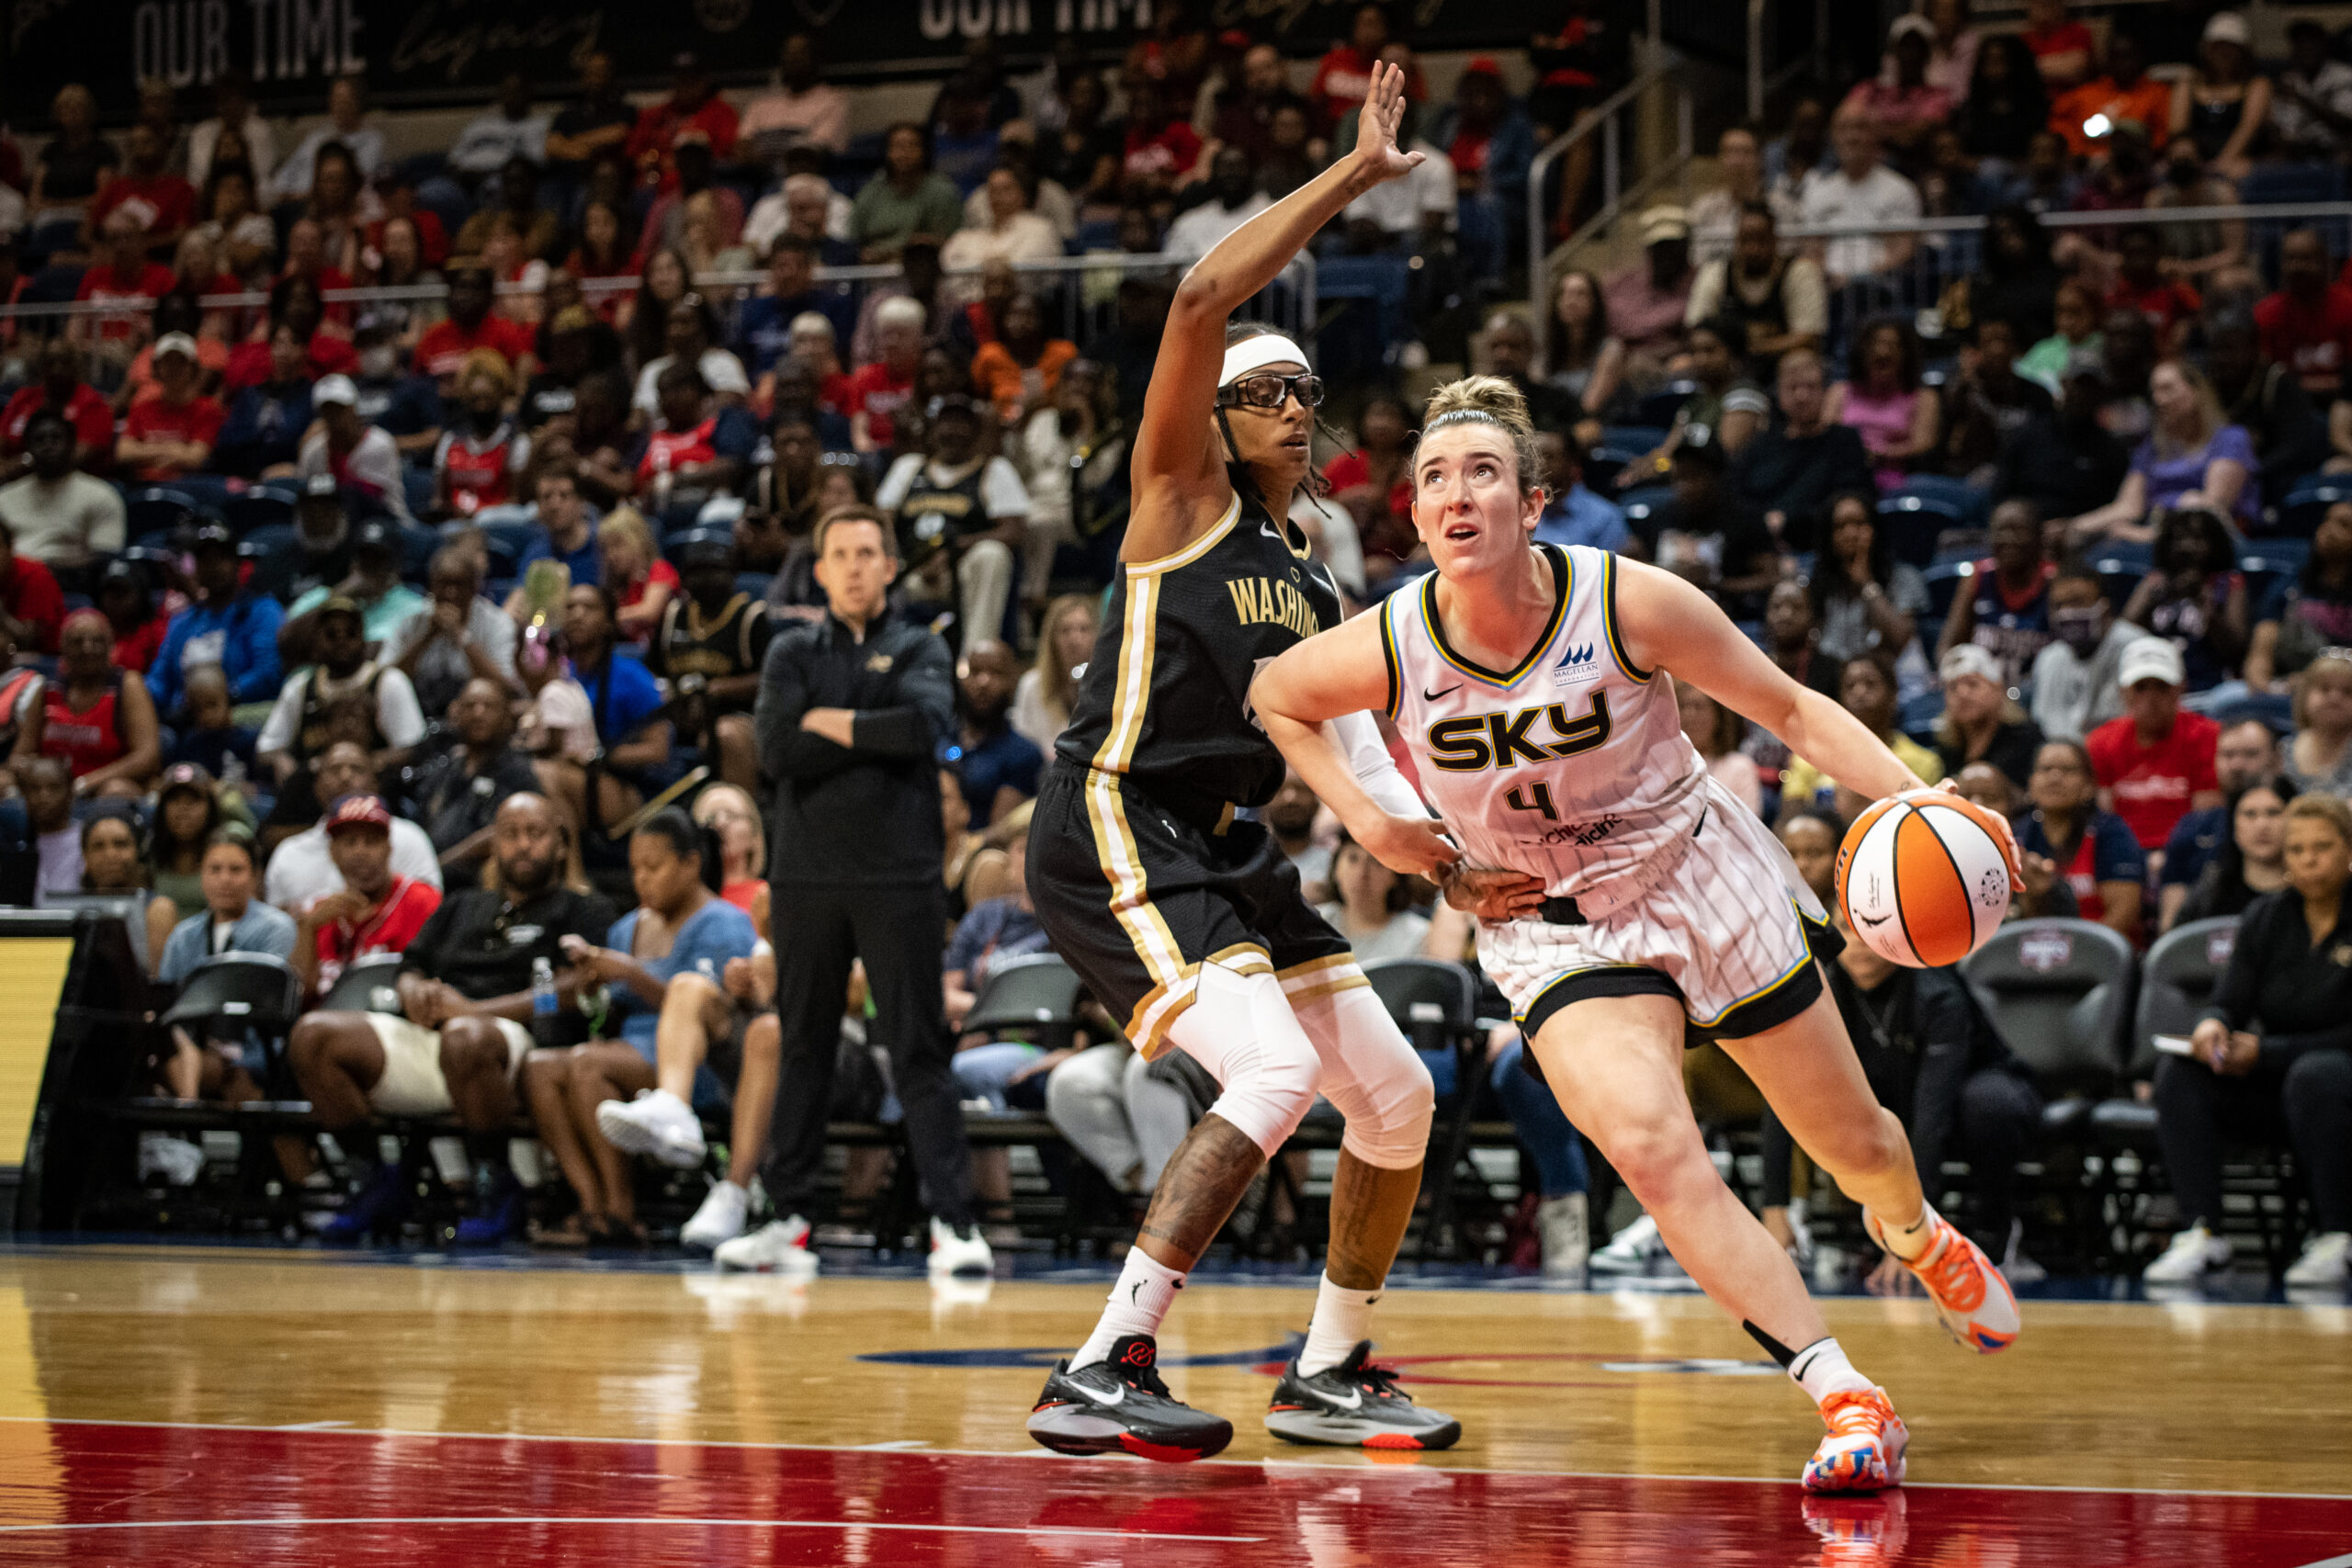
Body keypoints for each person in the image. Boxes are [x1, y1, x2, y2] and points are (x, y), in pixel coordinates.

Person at [1253, 371, 2025, 1495]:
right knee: (1656, 1155)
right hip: (1553, 924)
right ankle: (1845, 1393)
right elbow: (1277, 693)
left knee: (1855, 1145)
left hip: (1695, 871)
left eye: (1483, 474)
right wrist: (1374, 820)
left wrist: (1932, 798)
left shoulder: (1629, 602)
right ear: (1414, 519)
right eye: (1433, 480)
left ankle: (1916, 1235)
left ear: (1534, 503)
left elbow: (1792, 710)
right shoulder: (1395, 637)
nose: (1457, 494)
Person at [1012, 67, 1469, 1461]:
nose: (1289, 402)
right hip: (1119, 813)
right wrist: (1351, 177)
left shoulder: (1313, 572)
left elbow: (1339, 740)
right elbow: (1200, 300)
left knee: (1396, 1095)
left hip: (1231, 839)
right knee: (1269, 1072)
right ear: (1213, 413)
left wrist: (1427, 840)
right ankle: (1106, 1358)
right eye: (1262, 389)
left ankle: (1329, 1369)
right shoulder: (1179, 497)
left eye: (1303, 390)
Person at [727, 505, 989, 1277]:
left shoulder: (919, 644)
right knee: (803, 1043)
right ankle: (788, 1217)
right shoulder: (789, 649)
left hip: (900, 875)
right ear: (819, 569)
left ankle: (955, 1223)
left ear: (887, 564)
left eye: (866, 552)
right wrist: (869, 727)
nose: (851, 566)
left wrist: (830, 722)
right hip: (805, 875)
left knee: (918, 1048)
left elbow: (928, 727)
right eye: (838, 553)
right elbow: (775, 749)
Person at [289, 793, 615, 1245]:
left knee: (466, 1037)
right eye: (510, 835)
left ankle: (494, 1186)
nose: (522, 845)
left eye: (535, 834)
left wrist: (474, 1012)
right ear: (494, 844)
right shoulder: (462, 905)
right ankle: (373, 1179)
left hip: (515, 1048)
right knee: (312, 1037)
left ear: (560, 845)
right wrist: (414, 989)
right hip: (437, 1039)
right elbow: (410, 966)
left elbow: (570, 993)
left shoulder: (584, 910)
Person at [520, 808, 755, 1246]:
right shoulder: (628, 926)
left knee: (589, 1064)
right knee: (540, 1067)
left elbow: (706, 1011)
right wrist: (594, 986)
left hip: (695, 1063)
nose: (641, 880)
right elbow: (610, 1013)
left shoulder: (724, 922)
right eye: (635, 869)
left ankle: (621, 1211)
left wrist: (629, 973)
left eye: (654, 867)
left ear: (690, 865)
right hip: (628, 1047)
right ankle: (590, 1202)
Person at [2147, 791, 2352, 1289]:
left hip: (2335, 1079)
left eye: (2322, 847)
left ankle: (2338, 1235)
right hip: (2278, 1080)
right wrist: (2213, 1024)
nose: (2308, 860)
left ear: (2348, 849)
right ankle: (2203, 1231)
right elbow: (2231, 998)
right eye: (2297, 849)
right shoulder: (2267, 917)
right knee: (2181, 1073)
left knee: (2316, 1075)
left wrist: (2268, 1053)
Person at [255, 596, 425, 833]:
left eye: (350, 633)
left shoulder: (389, 681)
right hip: (311, 795)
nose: (341, 641)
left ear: (364, 639)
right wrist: (281, 761)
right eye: (331, 635)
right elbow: (266, 748)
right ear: (317, 641)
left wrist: (370, 762)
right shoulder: (301, 686)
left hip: (376, 795)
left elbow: (413, 748)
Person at [153, 829, 298, 1105]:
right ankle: (186, 1119)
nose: (225, 880)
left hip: (254, 1048)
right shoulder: (183, 935)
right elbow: (168, 1005)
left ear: (255, 876)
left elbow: (268, 1004)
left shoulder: (277, 927)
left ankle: (187, 1118)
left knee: (222, 1071)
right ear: (201, 874)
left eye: (236, 870)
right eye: (214, 869)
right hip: (190, 1045)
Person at [877, 394, 1029, 649]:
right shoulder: (909, 467)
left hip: (962, 571)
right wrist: (908, 562)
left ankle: (975, 656)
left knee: (993, 555)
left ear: (975, 431)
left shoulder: (994, 470)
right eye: (945, 423)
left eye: (962, 424)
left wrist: (954, 550)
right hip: (910, 572)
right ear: (932, 430)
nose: (953, 431)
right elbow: (882, 522)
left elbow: (1015, 531)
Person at [288, 792, 443, 1001]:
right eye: (350, 842)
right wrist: (307, 928)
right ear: (333, 852)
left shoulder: (424, 902)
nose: (360, 852)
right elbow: (297, 998)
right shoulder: (318, 914)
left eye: (371, 841)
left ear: (388, 848)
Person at [647, 532, 771, 791]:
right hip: (678, 718)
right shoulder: (673, 616)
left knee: (724, 735)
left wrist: (716, 689)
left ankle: (744, 816)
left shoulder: (750, 617)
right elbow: (650, 671)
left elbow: (770, 679)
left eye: (714, 570)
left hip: (736, 717)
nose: (705, 580)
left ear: (732, 572)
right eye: (696, 571)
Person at [2088, 636, 2223, 863]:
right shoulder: (2100, 742)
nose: (2150, 698)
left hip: (2186, 856)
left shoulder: (2208, 737)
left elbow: (2204, 823)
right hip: (2122, 858)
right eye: (2140, 687)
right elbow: (2104, 823)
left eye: (2161, 687)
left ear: (2180, 688)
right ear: (2123, 692)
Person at [263, 742, 443, 909]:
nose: (345, 776)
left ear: (374, 784)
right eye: (334, 770)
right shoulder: (289, 854)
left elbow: (430, 915)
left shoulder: (409, 837)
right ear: (317, 786)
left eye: (356, 769)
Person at [1733, 349, 1876, 554]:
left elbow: (1851, 501)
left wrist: (1788, 521)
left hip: (1824, 549)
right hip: (1760, 547)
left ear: (1825, 392)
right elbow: (1737, 496)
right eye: (1792, 388)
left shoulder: (1846, 441)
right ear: (1779, 394)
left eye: (1810, 387)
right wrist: (1762, 523)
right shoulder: (1760, 445)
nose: (1801, 396)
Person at [413, 678, 542, 891]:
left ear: (506, 717)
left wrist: (438, 867)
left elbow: (504, 833)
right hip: (431, 879)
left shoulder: (518, 771)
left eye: (488, 706)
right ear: (457, 714)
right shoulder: (443, 770)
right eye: (470, 706)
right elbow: (419, 823)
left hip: (479, 881)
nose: (478, 713)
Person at [147, 524, 283, 722]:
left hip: (242, 714)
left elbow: (268, 674)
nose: (214, 566)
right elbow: (160, 679)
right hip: (185, 719)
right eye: (206, 560)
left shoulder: (261, 611)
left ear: (237, 564)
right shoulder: (182, 623)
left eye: (222, 558)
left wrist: (217, 697)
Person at [1779, 654, 1941, 818]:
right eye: (1850, 686)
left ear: (1893, 695)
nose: (1859, 692)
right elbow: (1788, 822)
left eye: (1870, 684)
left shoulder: (1924, 762)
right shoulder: (1809, 758)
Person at [2157, 718, 2280, 927]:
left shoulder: (2303, 822)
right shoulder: (2191, 828)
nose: (2237, 765)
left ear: (2277, 760)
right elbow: (2170, 929)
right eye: (2228, 755)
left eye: (2250, 754)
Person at [25, 609, 161, 798]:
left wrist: (85, 783)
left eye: (96, 641)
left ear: (111, 647)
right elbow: (22, 753)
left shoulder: (128, 685)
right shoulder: (46, 689)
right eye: (77, 641)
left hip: (101, 789)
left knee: (116, 790)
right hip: (50, 791)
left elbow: (147, 757)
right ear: (62, 647)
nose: (87, 648)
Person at [1684, 204, 1826, 382]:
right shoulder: (1716, 272)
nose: (1752, 249)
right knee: (1683, 365)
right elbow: (1696, 326)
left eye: (1760, 240)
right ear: (1736, 241)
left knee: (1799, 361)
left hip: (1778, 366)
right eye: (1745, 240)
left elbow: (1808, 337)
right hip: (1728, 365)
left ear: (1774, 240)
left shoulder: (1799, 272)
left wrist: (1755, 349)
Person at [2121, 505, 2248, 696]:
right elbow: (2124, 634)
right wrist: (2155, 599)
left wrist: (2205, 606)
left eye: (2197, 539)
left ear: (2214, 543)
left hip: (2211, 685)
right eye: (2178, 539)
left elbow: (2237, 649)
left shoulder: (2229, 583)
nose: (2186, 546)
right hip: (2156, 683)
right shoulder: (2154, 581)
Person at [384, 547, 518, 721]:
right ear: (431, 585)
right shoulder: (411, 622)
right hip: (416, 714)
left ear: (474, 587)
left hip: (475, 716)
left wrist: (462, 637)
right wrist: (428, 636)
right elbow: (386, 681)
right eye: (443, 583)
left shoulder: (498, 622)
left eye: (459, 584)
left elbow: (508, 689)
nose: (451, 593)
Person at [1937, 500, 2054, 694]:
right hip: (1980, 692)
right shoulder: (1976, 576)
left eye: (2017, 530)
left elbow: (2064, 657)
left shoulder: (2053, 580)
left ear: (2037, 537)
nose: (2007, 538)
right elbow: (1948, 647)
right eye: (2000, 530)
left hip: (2035, 692)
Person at [1798, 112, 1921, 292]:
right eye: (1843, 129)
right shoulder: (1818, 192)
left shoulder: (1900, 190)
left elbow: (1902, 249)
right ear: (1833, 138)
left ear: (1875, 135)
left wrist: (1859, 279)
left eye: (1860, 128)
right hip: (1829, 287)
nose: (1851, 137)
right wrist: (1830, 277)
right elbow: (1812, 251)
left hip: (1881, 288)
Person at [1810, 490, 1923, 670]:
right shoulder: (1818, 585)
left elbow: (1901, 638)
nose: (1851, 533)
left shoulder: (1904, 577)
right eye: (1840, 526)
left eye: (1859, 523)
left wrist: (1866, 583)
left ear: (1875, 528)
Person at [0, 412, 125, 575]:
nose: (48, 446)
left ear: (72, 445)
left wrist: (42, 570)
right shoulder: (5, 496)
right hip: (11, 584)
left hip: (70, 584)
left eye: (56, 438)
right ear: (27, 448)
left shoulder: (101, 494)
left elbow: (105, 557)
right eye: (39, 439)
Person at [2248, 502, 2352, 694]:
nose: (2329, 530)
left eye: (2344, 525)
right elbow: (2260, 654)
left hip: (2344, 692)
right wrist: (2267, 688)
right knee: (2226, 698)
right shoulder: (2288, 586)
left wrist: (2317, 682)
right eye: (2326, 521)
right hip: (2288, 687)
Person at [1830, 317, 1939, 491]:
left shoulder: (1924, 397)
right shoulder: (1840, 391)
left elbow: (1923, 444)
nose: (1882, 352)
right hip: (1842, 477)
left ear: (1905, 355)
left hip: (1900, 481)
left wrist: (1881, 454)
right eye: (1875, 344)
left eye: (1892, 345)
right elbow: (1826, 436)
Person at [2174, 779, 2290, 929]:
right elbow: (2178, 945)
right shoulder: (2210, 892)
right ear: (2233, 826)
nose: (2262, 825)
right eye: (2250, 814)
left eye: (2273, 813)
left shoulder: (2311, 892)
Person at [2171, 11, 2270, 180]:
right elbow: (2178, 131)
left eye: (2231, 47)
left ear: (2244, 51)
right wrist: (2189, 158)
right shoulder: (2188, 83)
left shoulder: (2257, 84)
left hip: (2238, 160)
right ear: (2205, 49)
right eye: (2217, 46)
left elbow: (2248, 128)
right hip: (2196, 164)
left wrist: (2222, 163)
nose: (2224, 53)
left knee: (2239, 171)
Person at [1934, 643, 2043, 788]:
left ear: (1997, 689)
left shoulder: (2026, 740)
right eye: (1953, 687)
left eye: (1972, 684)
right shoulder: (1948, 748)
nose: (1962, 694)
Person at [853, 123, 966, 263]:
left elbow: (952, 242)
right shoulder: (870, 192)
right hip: (873, 272)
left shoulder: (942, 191)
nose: (904, 153)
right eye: (898, 146)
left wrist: (900, 252)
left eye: (912, 146)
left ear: (924, 151)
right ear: (887, 151)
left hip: (925, 271)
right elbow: (853, 241)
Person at [1012, 594, 1102, 755]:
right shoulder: (1031, 684)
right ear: (1052, 638)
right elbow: (1023, 746)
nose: (1075, 639)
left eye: (1084, 629)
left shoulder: (1108, 684)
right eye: (1065, 630)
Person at [1678, 680, 1762, 817]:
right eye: (1682, 706)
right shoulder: (1663, 765)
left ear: (1718, 716)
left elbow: (1745, 825)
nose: (1689, 715)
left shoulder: (1739, 767)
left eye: (1698, 707)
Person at [2272, 17, 2352, 162]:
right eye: (2300, 44)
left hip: (2336, 152)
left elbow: (2346, 124)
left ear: (2324, 46)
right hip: (2298, 153)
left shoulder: (2343, 76)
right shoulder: (2289, 79)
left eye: (2311, 43)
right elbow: (2284, 130)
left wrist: (2302, 99)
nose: (2306, 49)